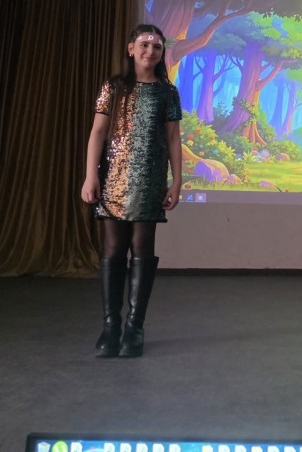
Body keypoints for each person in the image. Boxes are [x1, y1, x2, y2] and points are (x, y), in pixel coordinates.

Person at [81, 24, 183, 357]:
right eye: (144, 44)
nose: (150, 51)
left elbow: (173, 138)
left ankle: (134, 328)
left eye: (157, 46)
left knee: (142, 248)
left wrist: (176, 181)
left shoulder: (168, 92)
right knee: (113, 249)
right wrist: (90, 177)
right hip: (114, 177)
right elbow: (98, 132)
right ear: (130, 49)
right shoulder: (114, 87)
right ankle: (110, 326)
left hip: (149, 180)